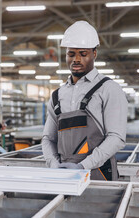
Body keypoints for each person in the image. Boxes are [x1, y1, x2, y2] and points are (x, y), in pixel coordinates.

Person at [42, 21, 127, 181]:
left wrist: (83, 166)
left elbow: (116, 137)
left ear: (94, 53)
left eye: (83, 53)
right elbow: (48, 138)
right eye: (71, 54)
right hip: (64, 177)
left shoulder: (109, 89)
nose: (76, 59)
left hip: (99, 176)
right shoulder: (57, 96)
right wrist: (54, 165)